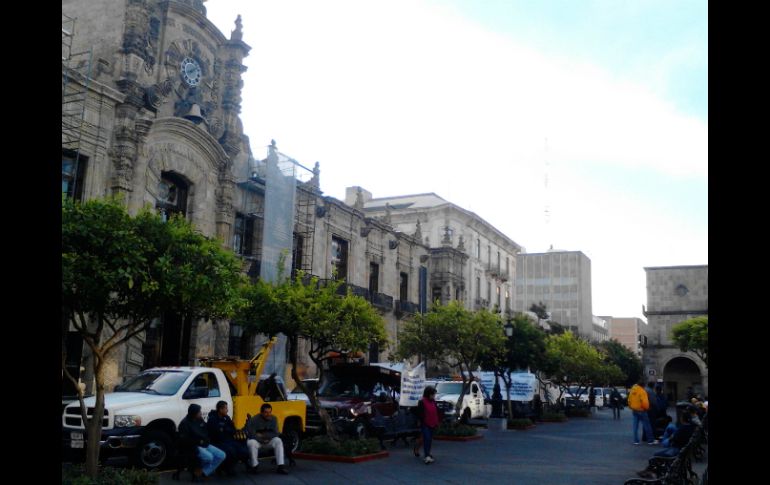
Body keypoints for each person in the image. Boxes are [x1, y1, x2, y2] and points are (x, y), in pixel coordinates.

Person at [178, 403, 226, 480]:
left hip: (205, 443)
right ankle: (198, 470)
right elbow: (185, 440)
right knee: (209, 457)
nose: (201, 413)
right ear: (194, 413)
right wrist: (198, 443)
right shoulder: (184, 424)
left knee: (222, 455)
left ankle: (204, 472)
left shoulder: (199, 419)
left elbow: (205, 430)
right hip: (195, 446)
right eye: (199, 412)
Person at [207, 401, 249, 476]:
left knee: (243, 450)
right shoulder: (212, 419)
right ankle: (225, 468)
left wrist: (226, 429)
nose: (227, 410)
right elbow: (215, 433)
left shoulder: (226, 418)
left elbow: (233, 430)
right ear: (220, 409)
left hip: (229, 440)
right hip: (217, 442)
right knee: (231, 451)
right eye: (226, 408)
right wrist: (225, 429)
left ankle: (230, 466)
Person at [245, 403, 288, 475]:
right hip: (258, 441)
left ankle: (281, 466)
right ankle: (254, 466)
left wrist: (263, 435)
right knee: (251, 442)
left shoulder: (274, 419)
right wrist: (261, 439)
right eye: (266, 412)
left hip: (269, 441)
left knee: (278, 440)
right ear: (261, 412)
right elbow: (251, 434)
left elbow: (276, 433)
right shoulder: (254, 419)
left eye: (269, 412)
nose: (268, 414)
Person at [412, 386, 440, 464]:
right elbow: (420, 414)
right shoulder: (422, 402)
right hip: (425, 423)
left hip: (433, 423)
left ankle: (427, 453)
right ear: (428, 394)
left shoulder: (433, 401)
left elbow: (436, 412)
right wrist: (421, 422)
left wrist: (437, 422)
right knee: (426, 438)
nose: (434, 396)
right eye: (433, 394)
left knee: (429, 439)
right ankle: (426, 456)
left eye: (434, 394)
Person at [627, 379, 657, 445]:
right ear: (643, 385)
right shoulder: (642, 391)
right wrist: (647, 408)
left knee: (635, 426)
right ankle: (650, 440)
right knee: (647, 425)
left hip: (634, 410)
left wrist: (631, 407)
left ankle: (635, 440)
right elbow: (645, 402)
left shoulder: (633, 390)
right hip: (642, 410)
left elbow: (629, 400)